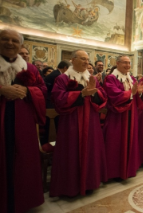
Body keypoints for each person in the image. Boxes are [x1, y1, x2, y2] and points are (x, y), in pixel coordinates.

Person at [50, 49, 108, 197]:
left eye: (87, 60)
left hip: (91, 121)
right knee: (71, 151)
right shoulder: (63, 79)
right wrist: (81, 94)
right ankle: (70, 187)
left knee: (91, 150)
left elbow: (102, 96)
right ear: (73, 60)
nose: (86, 62)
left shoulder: (91, 78)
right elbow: (58, 98)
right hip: (71, 122)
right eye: (82, 59)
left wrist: (94, 92)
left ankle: (89, 183)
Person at [0, 29, 46, 213]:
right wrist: (2, 90)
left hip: (23, 121)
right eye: (5, 39)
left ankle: (21, 200)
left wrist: (28, 91)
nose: (10, 43)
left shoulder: (30, 68)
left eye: (14, 40)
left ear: (20, 45)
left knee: (22, 159)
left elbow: (43, 90)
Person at [102, 56, 143, 180]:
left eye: (129, 63)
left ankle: (129, 168)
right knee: (115, 141)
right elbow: (114, 95)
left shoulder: (131, 78)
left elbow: (136, 95)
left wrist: (139, 93)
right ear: (117, 63)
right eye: (125, 63)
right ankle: (114, 172)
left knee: (130, 138)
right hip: (117, 116)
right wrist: (131, 93)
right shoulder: (111, 78)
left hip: (131, 114)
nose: (128, 65)